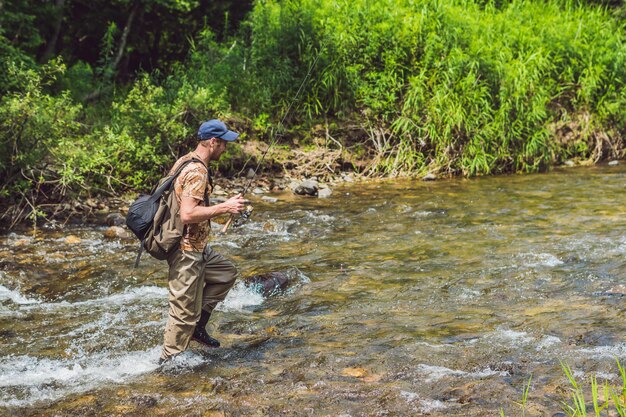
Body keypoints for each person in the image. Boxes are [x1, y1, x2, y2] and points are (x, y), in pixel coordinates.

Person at [160, 119, 245, 363]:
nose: (225, 149)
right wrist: (225, 206)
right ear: (212, 142)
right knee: (182, 314)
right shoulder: (197, 171)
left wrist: (221, 207)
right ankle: (169, 365)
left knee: (226, 273)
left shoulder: (186, 160)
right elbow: (187, 214)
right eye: (223, 144)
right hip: (186, 251)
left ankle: (198, 329)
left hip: (197, 248)